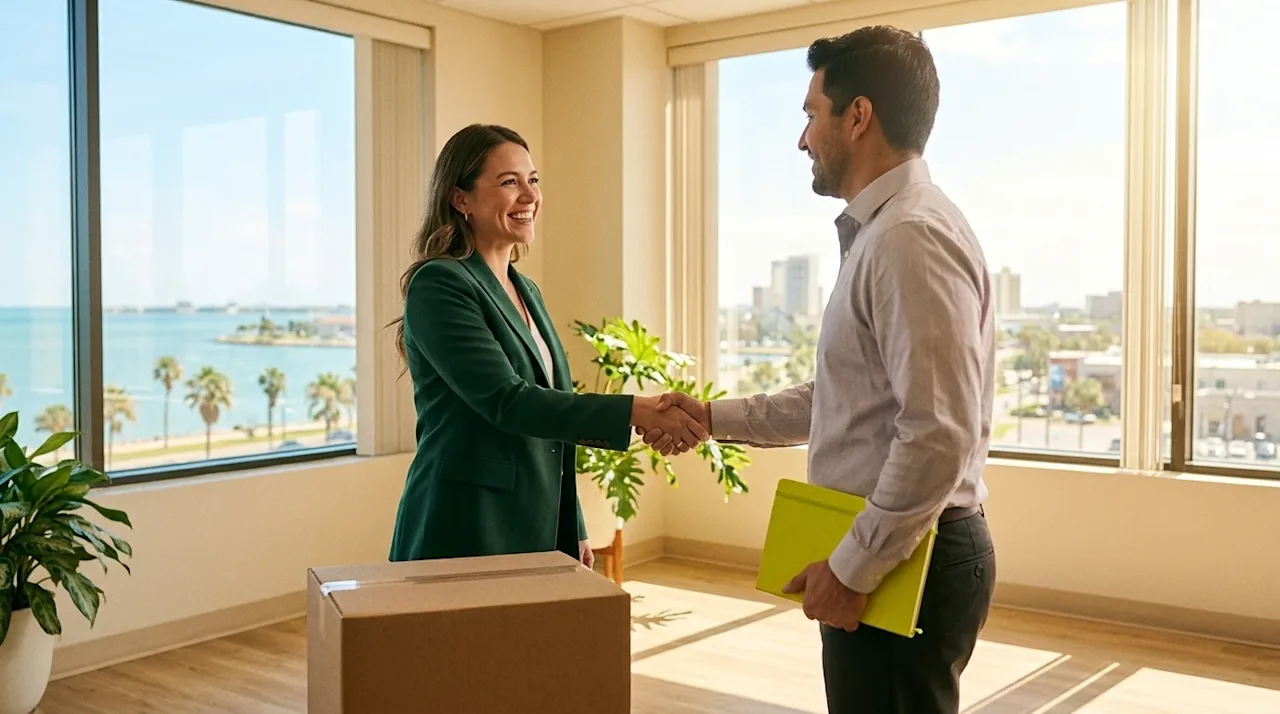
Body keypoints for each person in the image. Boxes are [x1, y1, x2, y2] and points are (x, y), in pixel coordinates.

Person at [641, 26, 996, 714]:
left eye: (811, 114)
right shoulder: (887, 233)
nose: (802, 138)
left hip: (906, 560)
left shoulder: (906, 237)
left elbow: (937, 434)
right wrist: (711, 418)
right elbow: (844, 398)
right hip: (905, 550)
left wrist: (853, 566)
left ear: (857, 116)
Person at [388, 123, 708, 568]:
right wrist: (636, 409)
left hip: (536, 525)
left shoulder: (527, 290)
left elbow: (555, 411)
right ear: (461, 199)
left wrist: (571, 525)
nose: (529, 196)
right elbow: (509, 402)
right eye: (508, 182)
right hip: (465, 524)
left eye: (532, 180)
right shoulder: (439, 284)